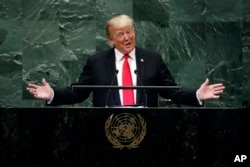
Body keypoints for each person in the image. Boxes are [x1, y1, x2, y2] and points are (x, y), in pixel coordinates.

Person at [26, 14, 225, 107]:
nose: (127, 38)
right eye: (120, 35)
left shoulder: (152, 59)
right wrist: (53, 95)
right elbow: (77, 93)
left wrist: (197, 95)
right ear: (110, 40)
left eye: (129, 32)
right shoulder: (97, 62)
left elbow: (171, 91)